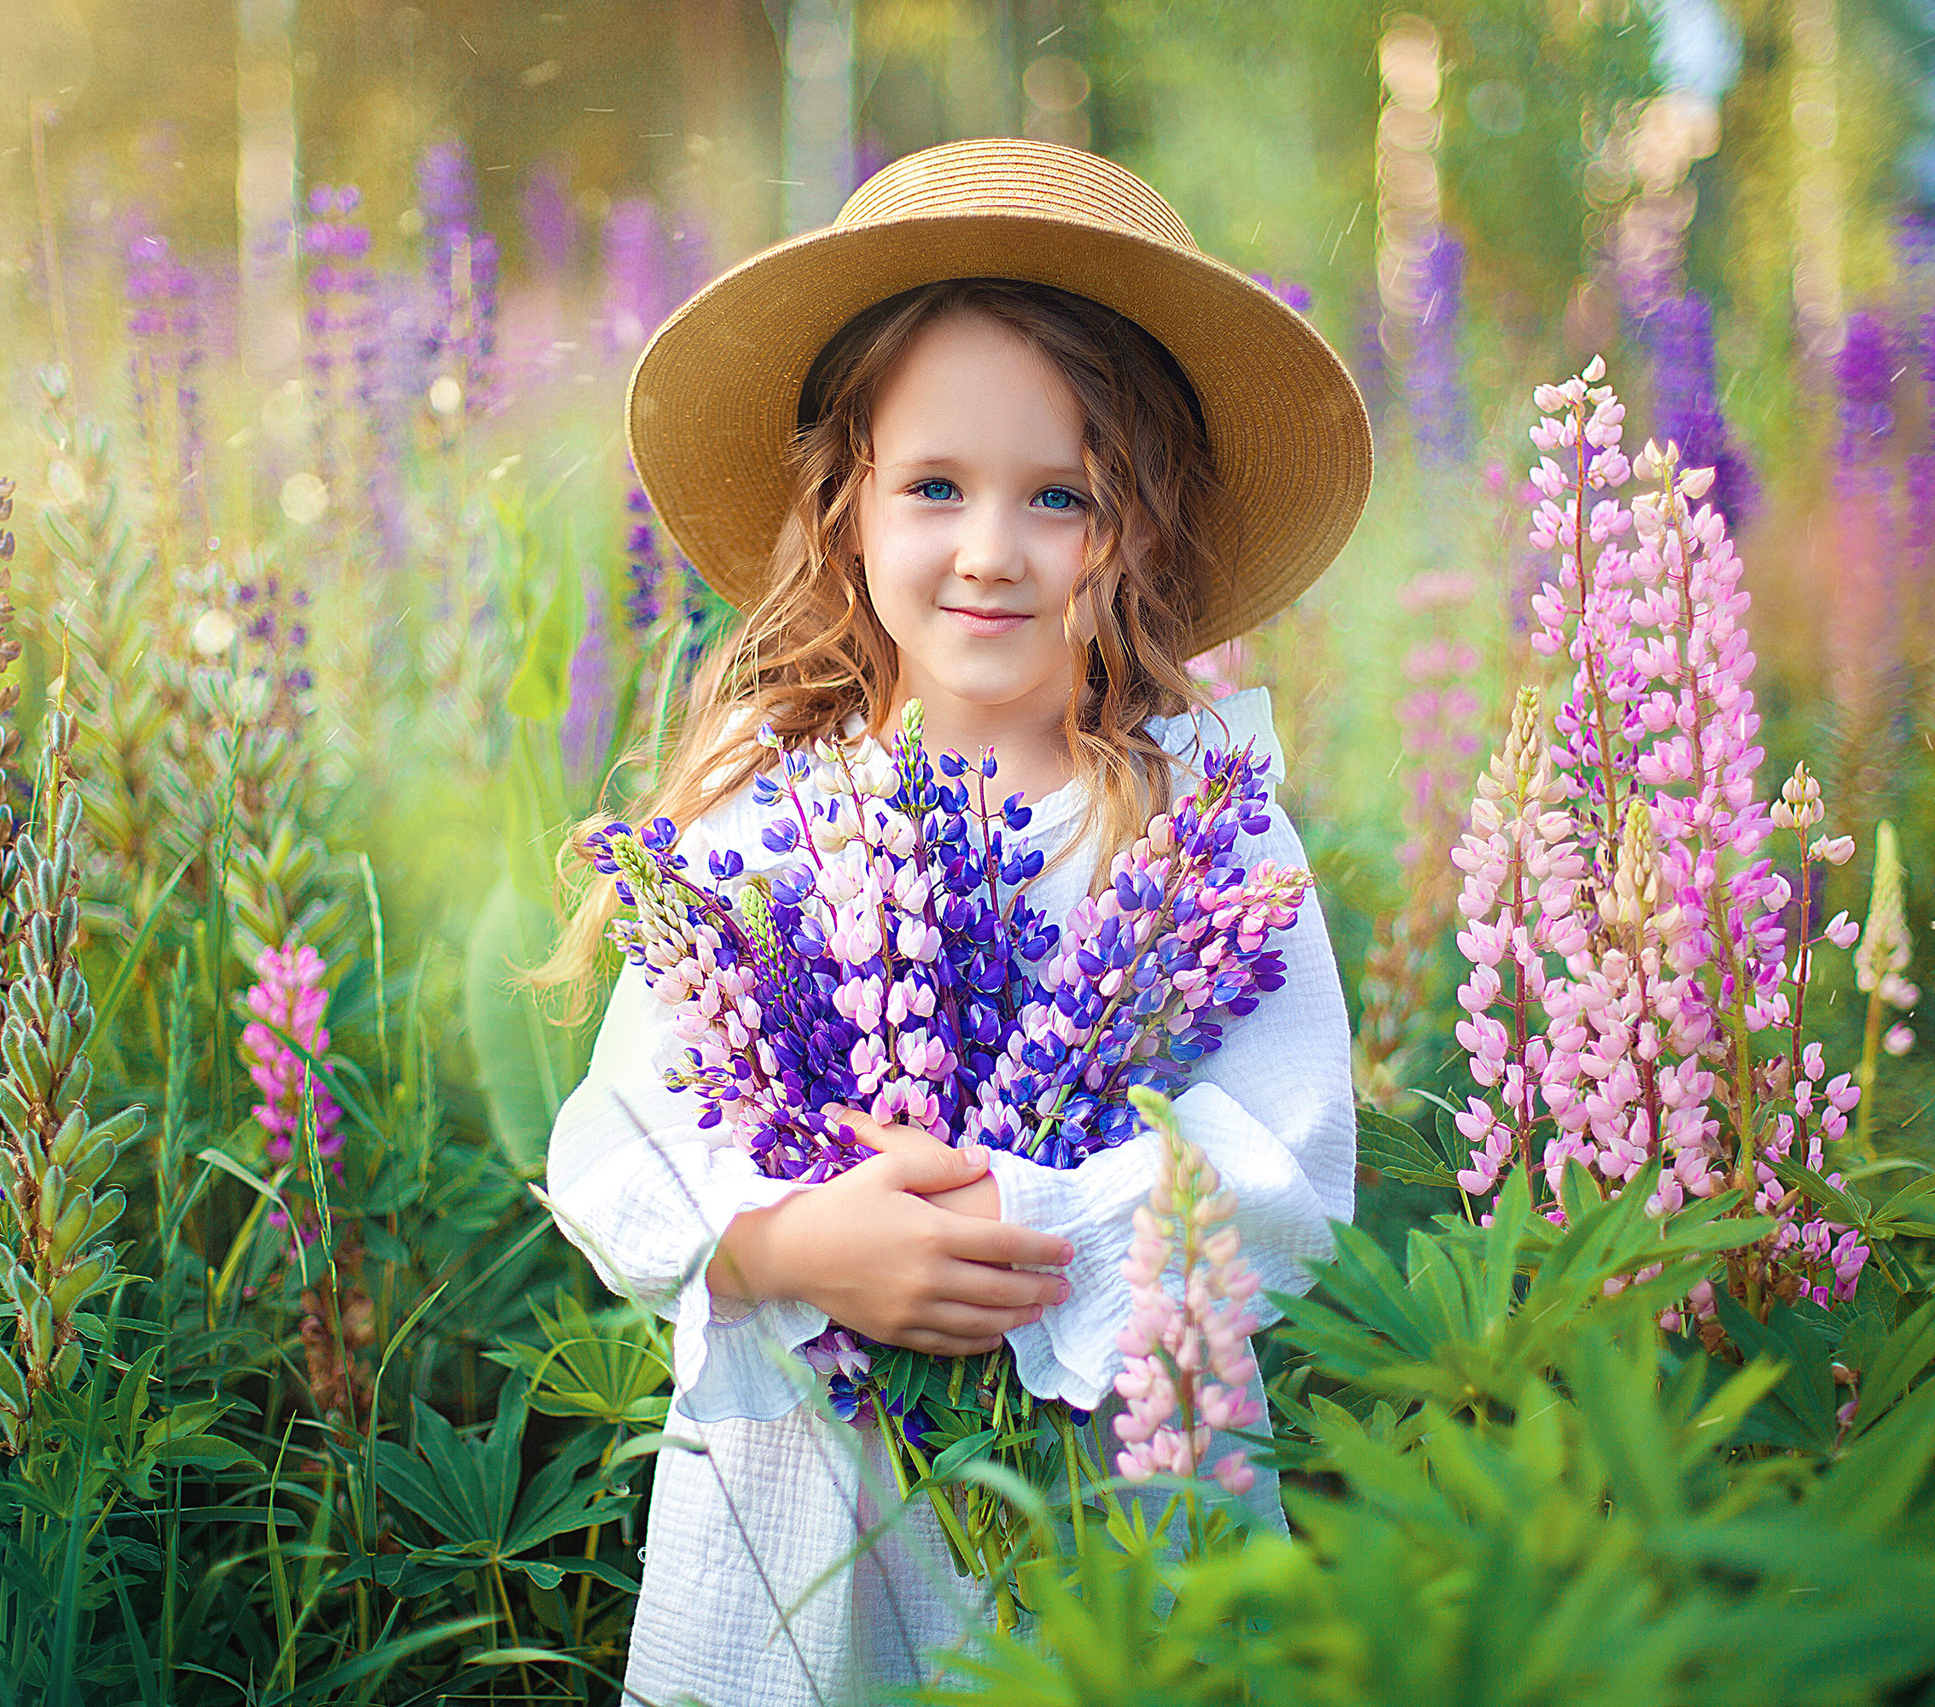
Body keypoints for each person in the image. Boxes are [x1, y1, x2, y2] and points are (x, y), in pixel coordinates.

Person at [539, 138, 1371, 1706]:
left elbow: (1288, 1165)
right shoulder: (759, 815)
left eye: (1061, 494)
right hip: (798, 1513)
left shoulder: (1204, 816)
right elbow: (616, 1148)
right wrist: (793, 1245)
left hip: (1117, 1496)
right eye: (936, 485)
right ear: (845, 508)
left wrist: (1038, 1224)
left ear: (1145, 529)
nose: (992, 549)